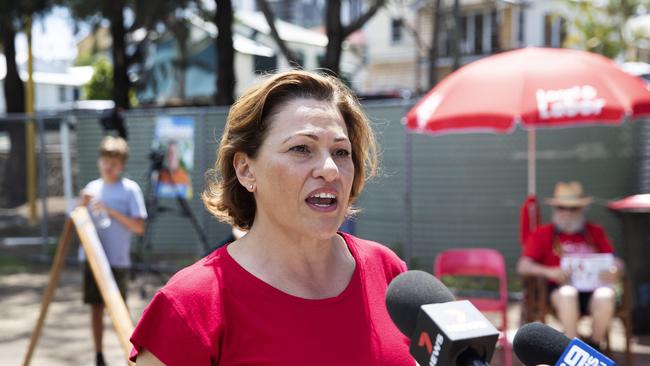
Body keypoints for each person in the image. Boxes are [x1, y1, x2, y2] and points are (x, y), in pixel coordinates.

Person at [129, 70, 412, 365]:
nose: (330, 169)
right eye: (301, 148)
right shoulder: (192, 304)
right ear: (246, 170)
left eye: (341, 152)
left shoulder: (389, 273)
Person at [517, 181, 623, 349]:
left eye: (572, 208)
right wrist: (549, 272)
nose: (567, 213)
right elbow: (523, 266)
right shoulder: (542, 234)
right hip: (557, 290)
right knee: (568, 293)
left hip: (592, 290)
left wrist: (615, 270)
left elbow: (616, 261)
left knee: (606, 295)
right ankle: (574, 347)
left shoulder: (595, 231)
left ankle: (594, 346)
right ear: (555, 209)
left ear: (581, 209)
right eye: (561, 208)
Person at [80, 136, 148, 366]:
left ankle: (129, 357)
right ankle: (99, 356)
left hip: (118, 260)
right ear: (99, 161)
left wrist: (109, 210)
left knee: (120, 309)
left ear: (122, 164)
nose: (109, 166)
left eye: (114, 162)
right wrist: (80, 206)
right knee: (96, 308)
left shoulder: (130, 190)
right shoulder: (91, 188)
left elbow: (139, 227)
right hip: (93, 260)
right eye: (105, 160)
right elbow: (81, 222)